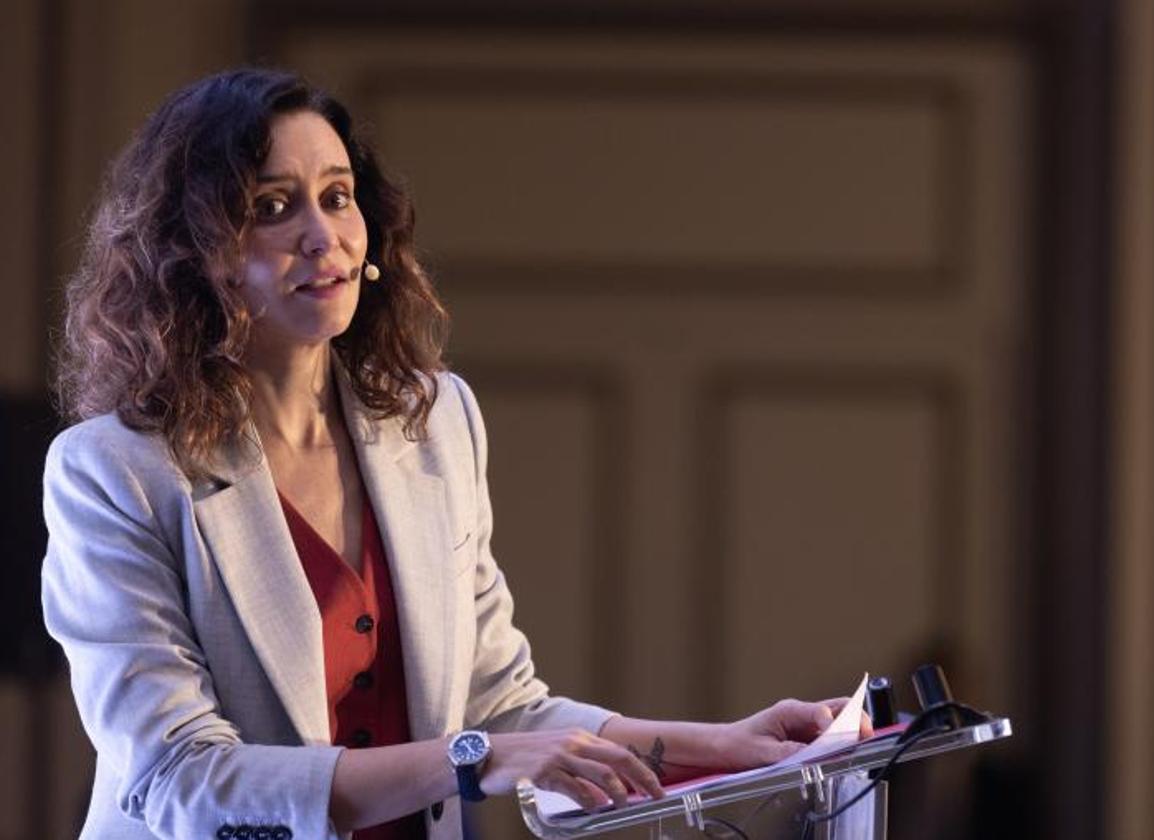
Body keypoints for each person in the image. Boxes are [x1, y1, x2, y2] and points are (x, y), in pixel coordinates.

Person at [42, 68, 868, 840]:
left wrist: (720, 744)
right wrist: (472, 760)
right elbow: (179, 775)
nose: (322, 235)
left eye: (338, 196)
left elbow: (500, 705)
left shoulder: (436, 422)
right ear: (196, 249)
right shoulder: (114, 472)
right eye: (271, 206)